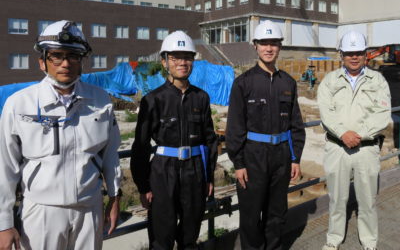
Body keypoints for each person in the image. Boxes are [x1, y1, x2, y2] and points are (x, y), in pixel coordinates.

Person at [0, 20, 122, 250]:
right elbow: (4, 167)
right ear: (42, 62)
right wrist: (3, 223)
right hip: (41, 212)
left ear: (81, 61)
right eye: (56, 56)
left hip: (89, 210)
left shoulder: (100, 101)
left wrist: (115, 198)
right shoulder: (19, 104)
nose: (65, 63)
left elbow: (111, 156)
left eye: (73, 56)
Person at [130, 31, 218, 250]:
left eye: (187, 57)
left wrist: (209, 178)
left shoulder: (201, 98)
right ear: (164, 61)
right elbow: (140, 146)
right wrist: (143, 185)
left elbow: (210, 141)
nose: (182, 62)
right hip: (163, 173)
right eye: (175, 57)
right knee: (161, 238)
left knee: (190, 235)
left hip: (195, 172)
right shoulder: (153, 100)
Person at [226, 20, 306, 249]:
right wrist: (238, 163)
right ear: (255, 46)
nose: (269, 48)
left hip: (281, 157)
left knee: (276, 214)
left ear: (280, 47)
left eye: (274, 43)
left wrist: (295, 157)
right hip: (253, 158)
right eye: (264, 43)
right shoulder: (243, 83)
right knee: (251, 216)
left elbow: (296, 125)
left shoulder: (288, 83)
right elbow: (234, 127)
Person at [317, 30, 391, 250]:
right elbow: (325, 111)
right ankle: (333, 240)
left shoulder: (377, 80)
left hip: (366, 149)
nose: (354, 57)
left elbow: (382, 113)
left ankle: (369, 242)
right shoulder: (330, 81)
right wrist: (343, 133)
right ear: (341, 55)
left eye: (358, 52)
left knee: (367, 201)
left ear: (366, 54)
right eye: (349, 53)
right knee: (337, 200)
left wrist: (360, 135)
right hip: (337, 148)